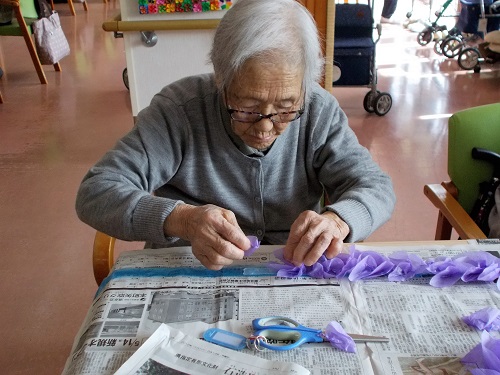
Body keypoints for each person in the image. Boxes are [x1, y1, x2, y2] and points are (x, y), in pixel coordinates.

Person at [76, 0, 396, 271]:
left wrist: (339, 221)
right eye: (246, 107)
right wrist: (182, 219)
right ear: (221, 79)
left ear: (304, 86)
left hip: (287, 271)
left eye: (286, 108)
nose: (265, 127)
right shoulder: (179, 110)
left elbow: (375, 186)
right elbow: (96, 192)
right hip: (188, 269)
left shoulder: (319, 110)